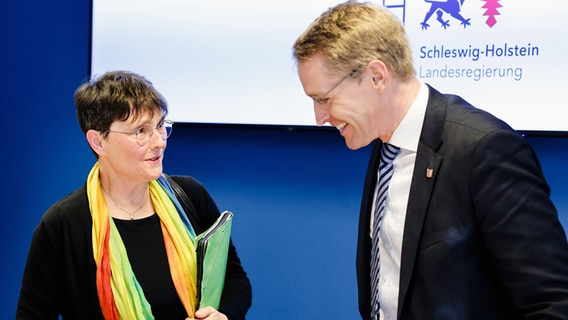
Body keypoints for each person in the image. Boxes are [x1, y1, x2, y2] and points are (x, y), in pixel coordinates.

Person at [292, 1, 568, 319]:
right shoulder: (383, 142)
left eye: (324, 99)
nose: (319, 117)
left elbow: (553, 304)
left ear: (376, 77)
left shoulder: (485, 150)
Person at [16, 70, 252, 320]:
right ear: (98, 142)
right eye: (140, 131)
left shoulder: (190, 197)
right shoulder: (63, 225)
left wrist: (224, 316)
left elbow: (234, 278)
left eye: (160, 125)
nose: (158, 142)